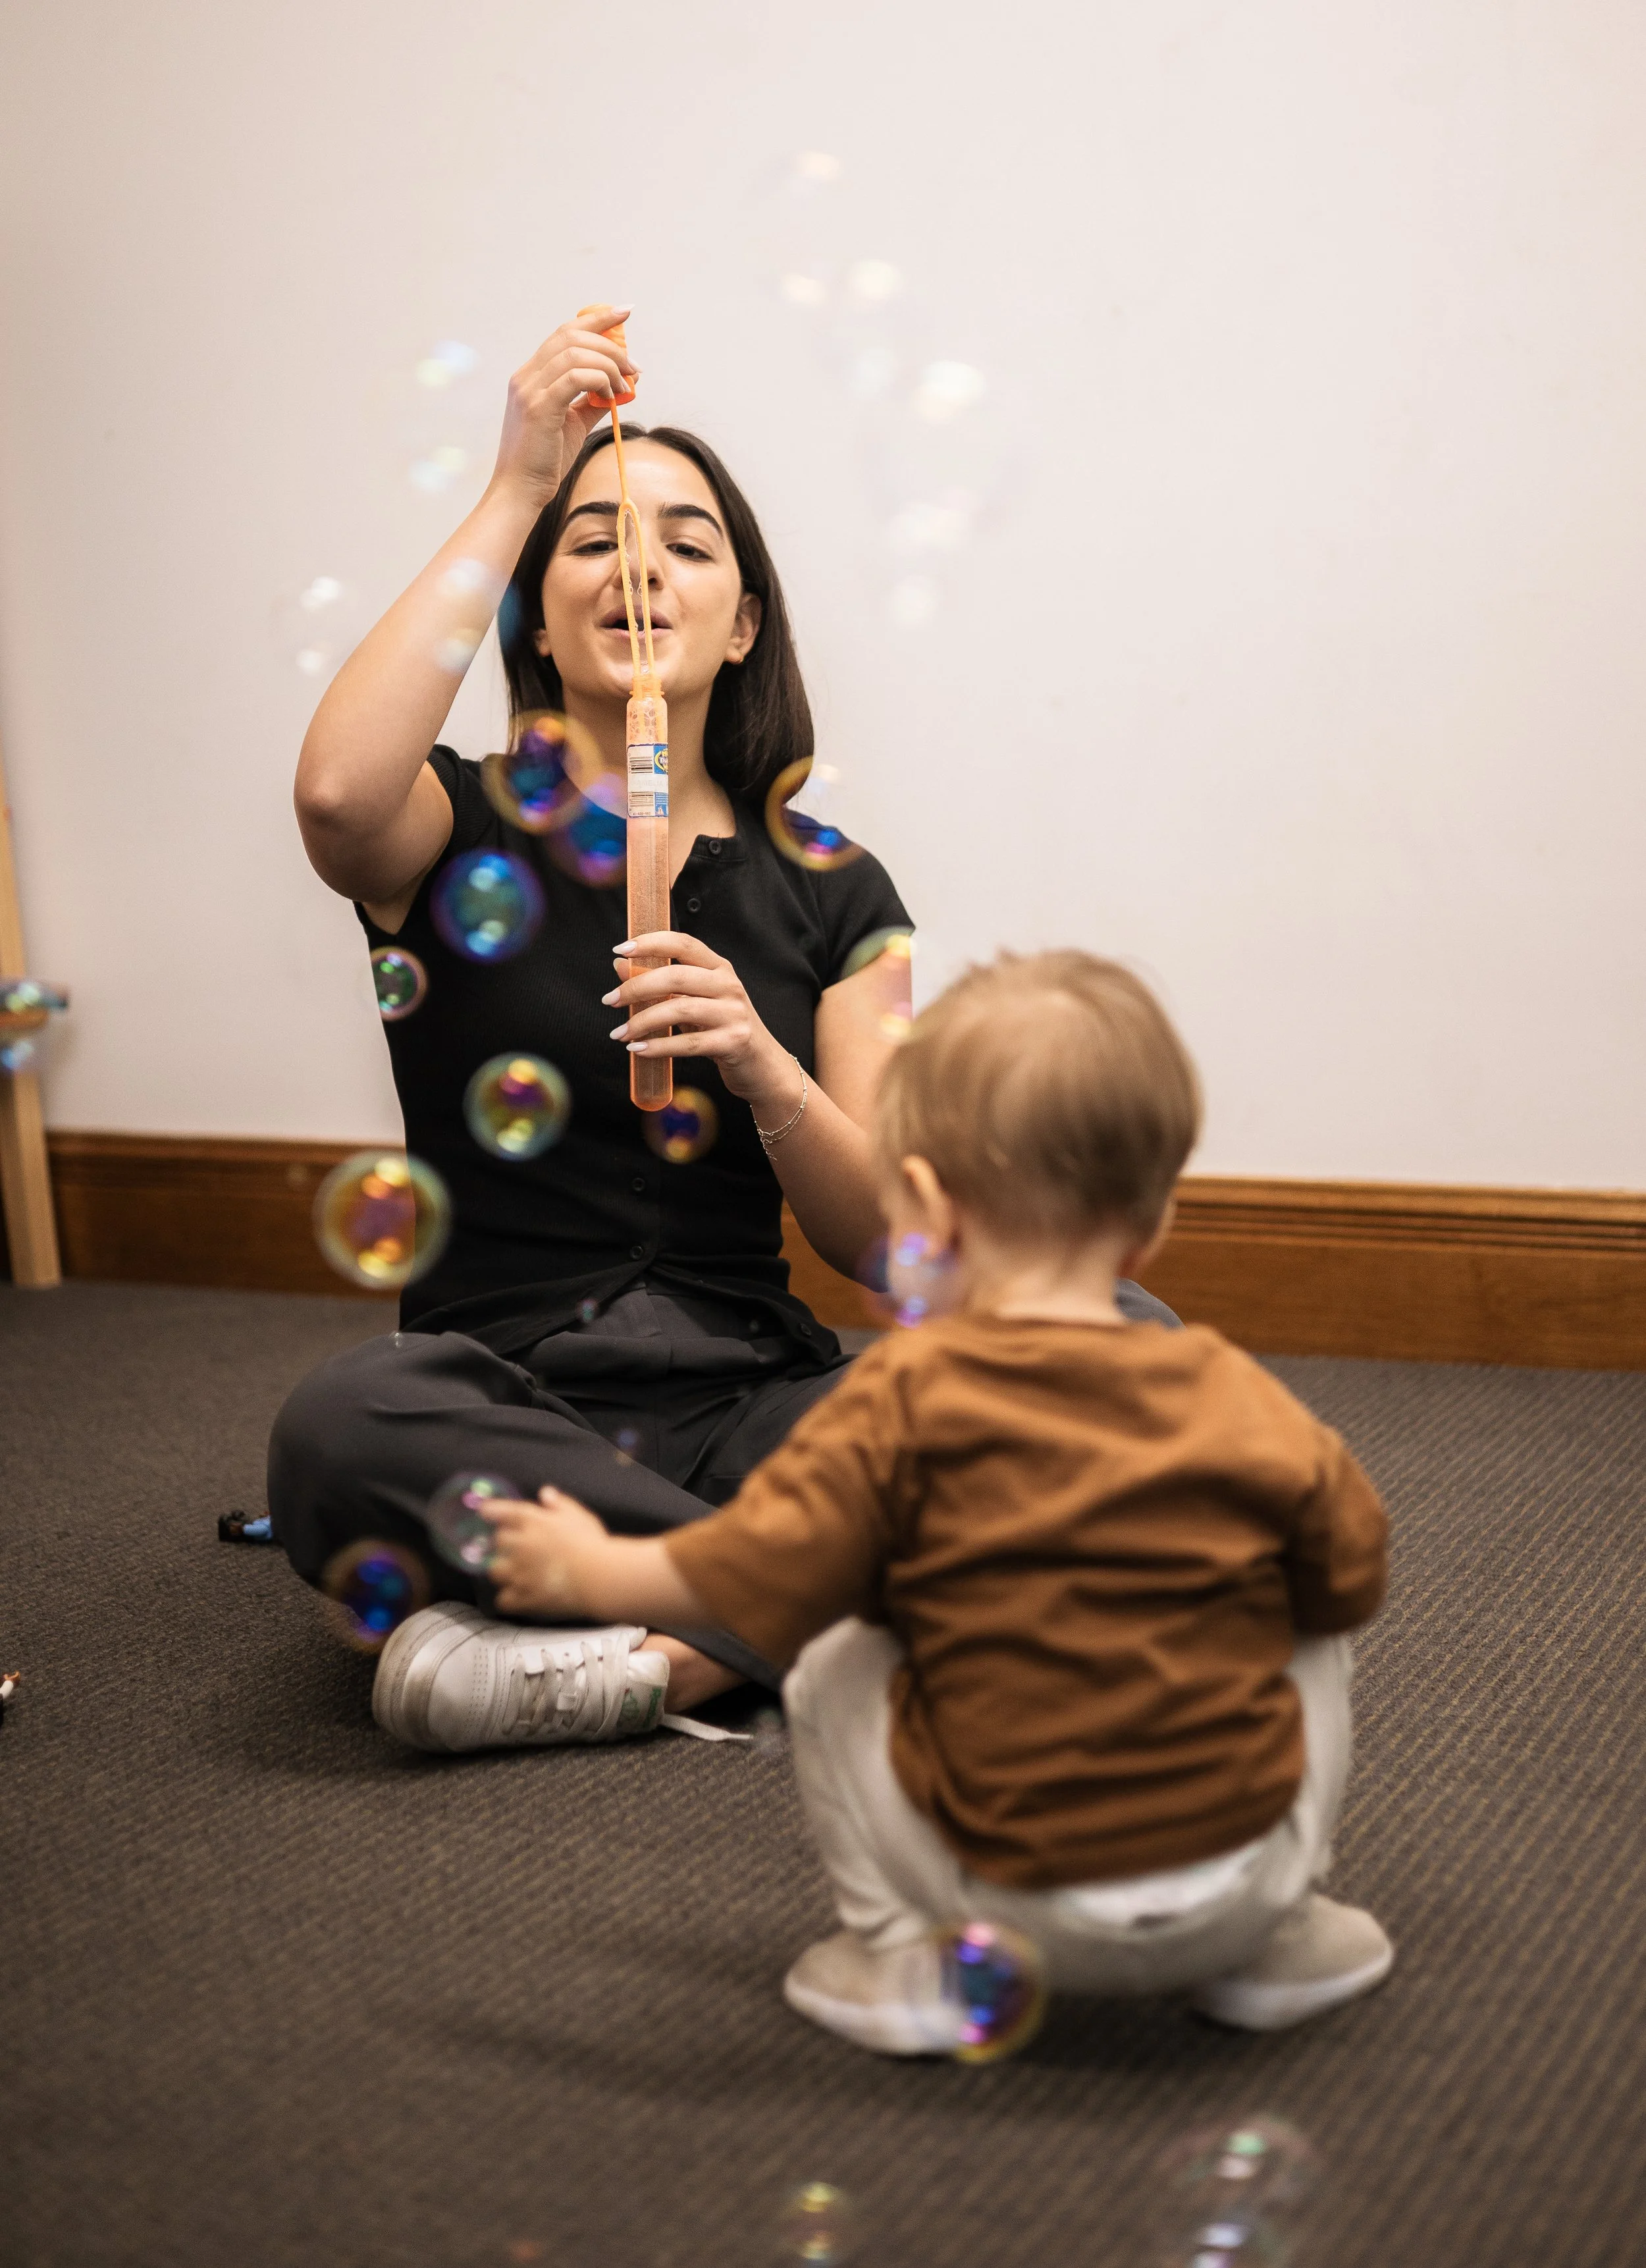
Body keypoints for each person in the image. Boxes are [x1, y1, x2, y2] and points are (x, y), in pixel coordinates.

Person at [269, 304, 1185, 1747]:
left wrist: (767, 1073)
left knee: (1112, 1340)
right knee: (338, 1429)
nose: (639, 567)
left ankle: (663, 1652)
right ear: (533, 611)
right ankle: (839, 1599)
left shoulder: (838, 889)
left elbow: (888, 1246)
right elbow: (332, 797)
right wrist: (516, 484)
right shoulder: (452, 824)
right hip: (514, 1399)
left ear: (744, 622)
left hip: (760, 1403)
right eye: (591, 542)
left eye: (688, 546)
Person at [479, 950, 1393, 2050]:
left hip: (1007, 1914)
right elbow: (1355, 1577)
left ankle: (902, 1963)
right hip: (1234, 1892)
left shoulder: (900, 1406)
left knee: (833, 1650)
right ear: (1151, 1228)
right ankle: (1280, 1936)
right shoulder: (1240, 1399)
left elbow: (747, 1571)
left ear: (920, 1205)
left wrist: (593, 1569)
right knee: (1306, 1608)